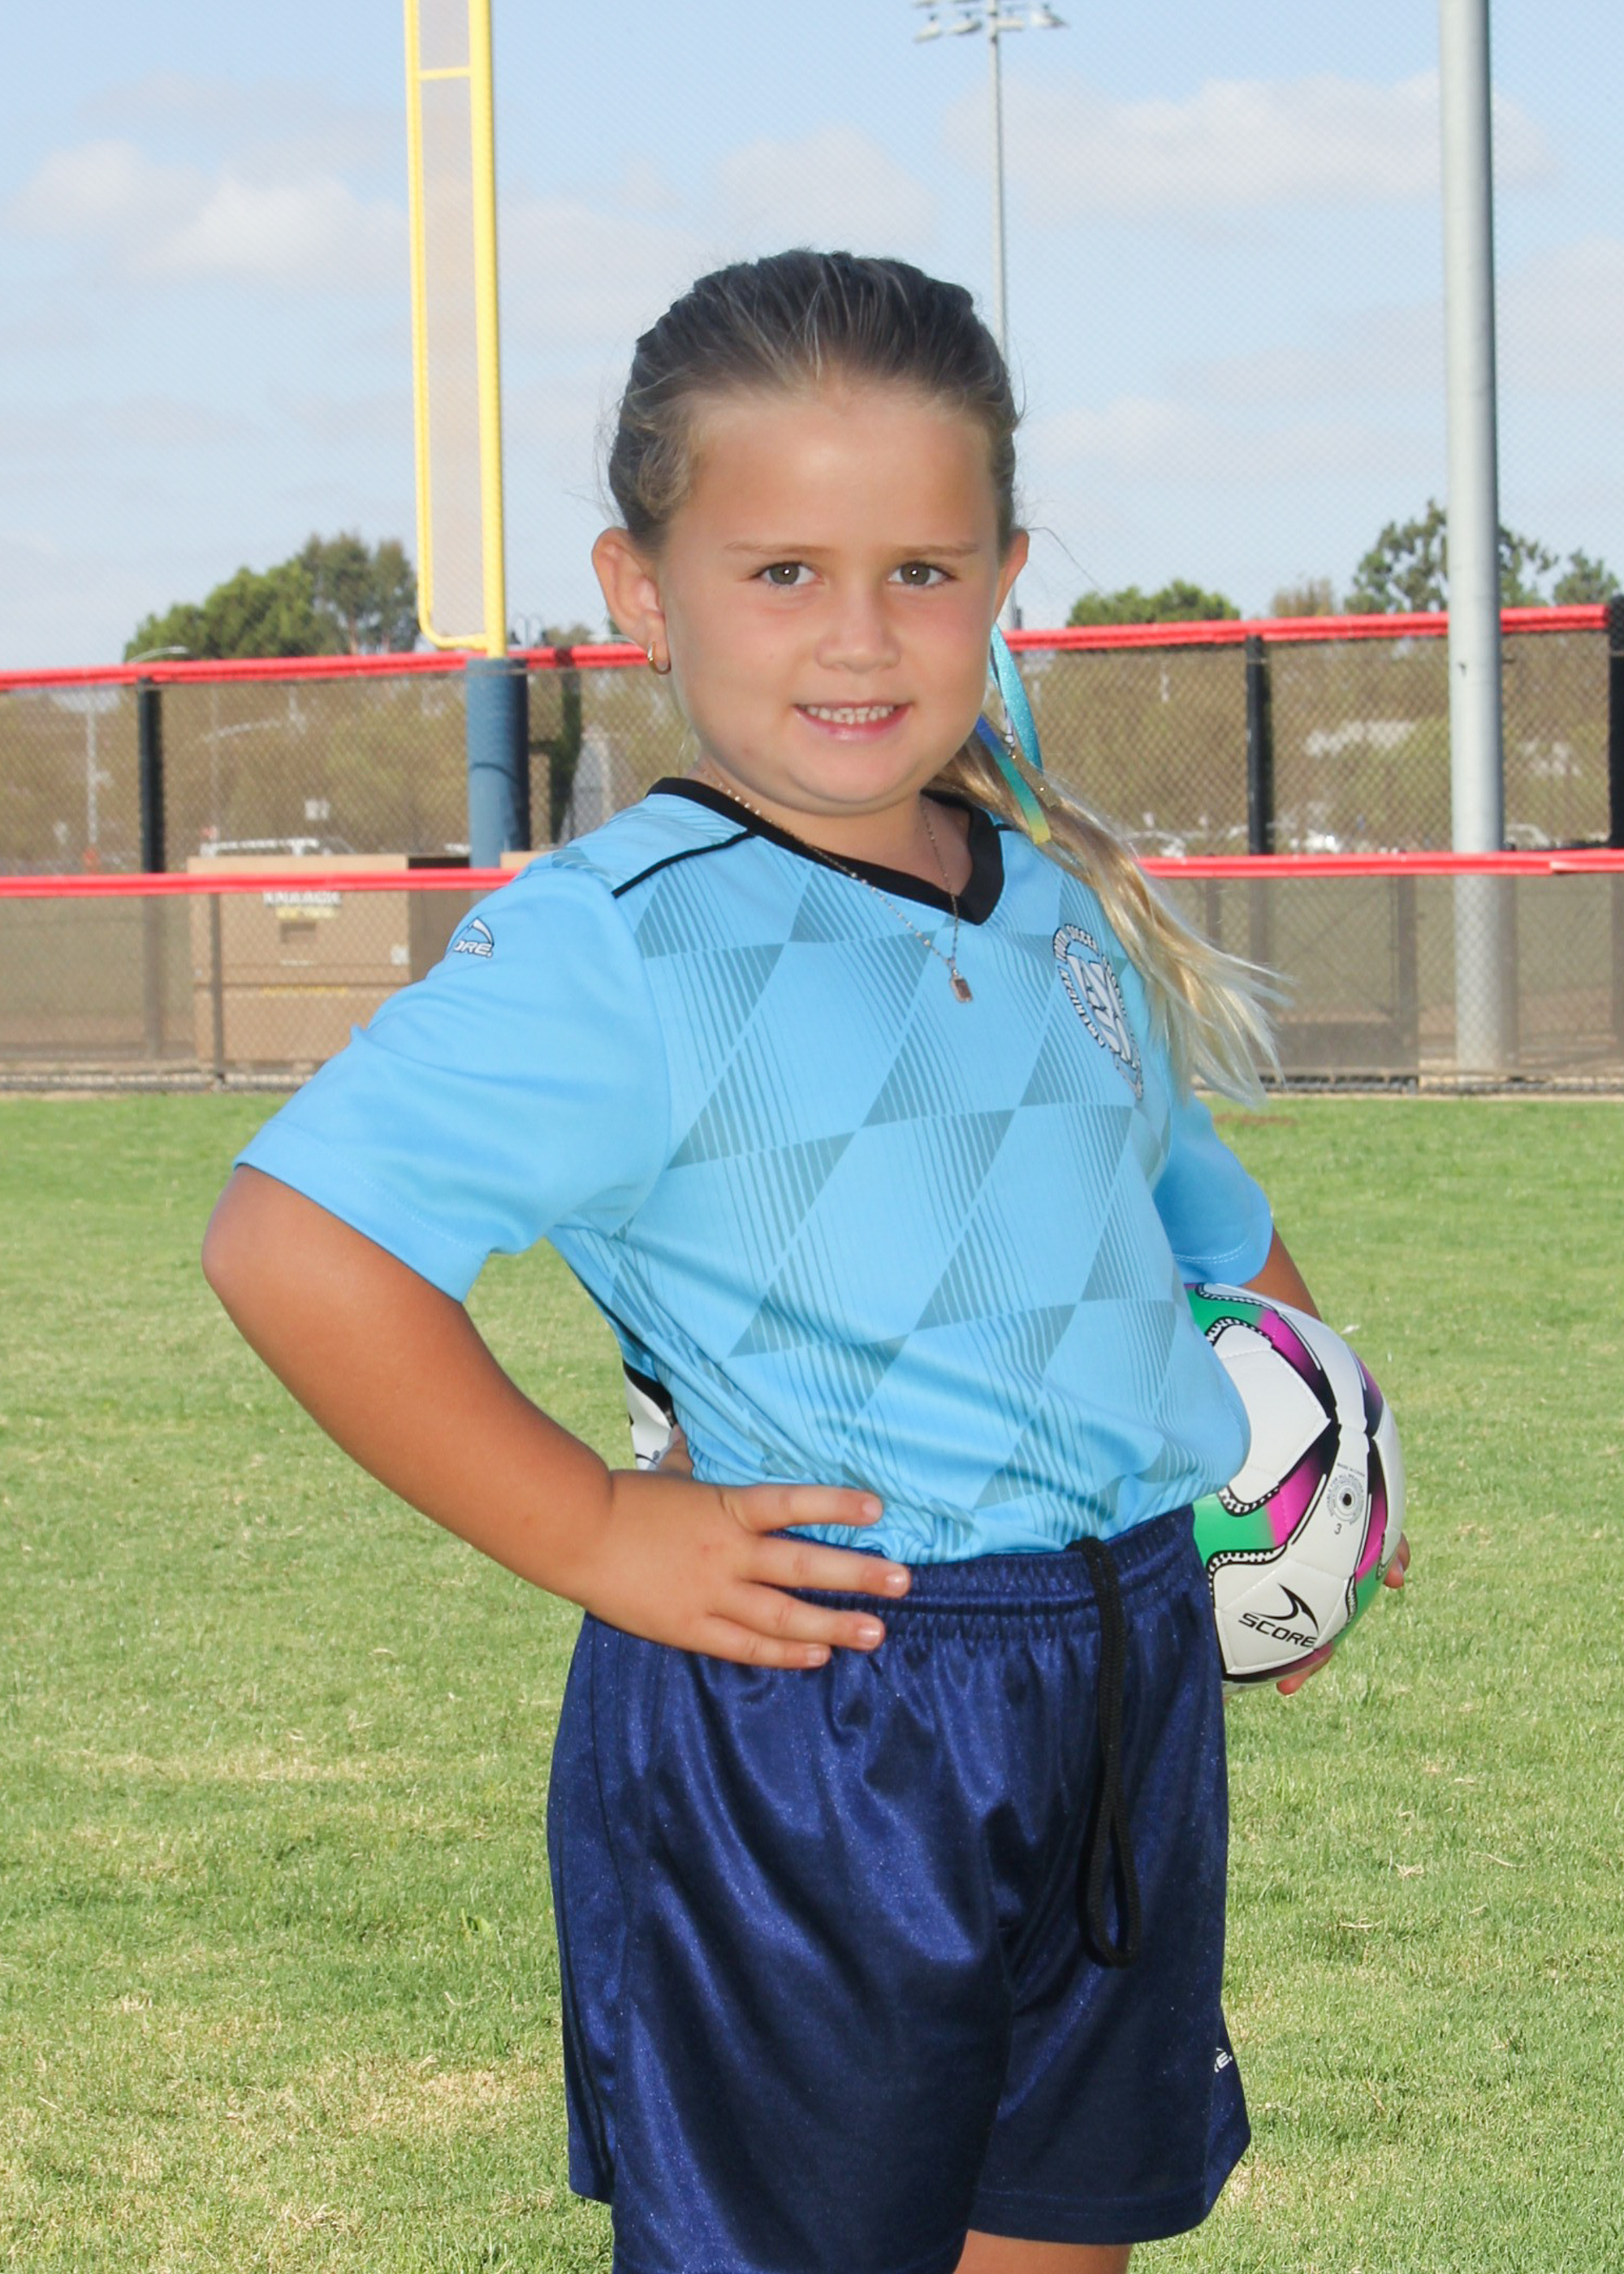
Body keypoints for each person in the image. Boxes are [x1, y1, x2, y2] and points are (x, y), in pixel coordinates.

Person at [203, 250, 1407, 2274]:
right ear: (639, 588)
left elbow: (1199, 1236)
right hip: (823, 1708)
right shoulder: (617, 939)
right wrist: (597, 1526)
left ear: (1003, 574)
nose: (858, 634)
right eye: (781, 572)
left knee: (1058, 2232)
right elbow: (292, 1243)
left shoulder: (1053, 911)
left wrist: (1304, 1476)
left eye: (920, 570)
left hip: (1118, 1677)